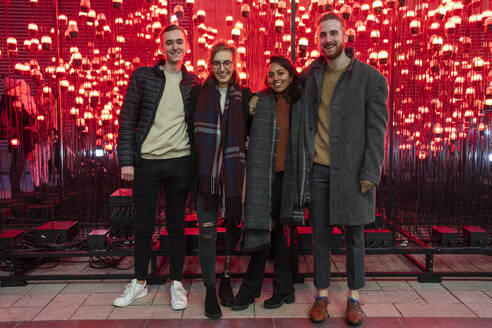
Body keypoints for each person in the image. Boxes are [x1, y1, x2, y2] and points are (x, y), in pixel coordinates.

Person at [301, 13, 389, 326]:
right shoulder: (311, 74)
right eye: (323, 35)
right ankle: (321, 296)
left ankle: (354, 298)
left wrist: (370, 173)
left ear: (345, 35)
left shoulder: (371, 79)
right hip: (319, 170)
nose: (328, 40)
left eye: (333, 33)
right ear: (317, 39)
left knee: (355, 237)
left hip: (354, 173)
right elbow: (288, 95)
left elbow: (377, 131)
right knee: (320, 236)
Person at [114, 24, 201, 310]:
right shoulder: (143, 77)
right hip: (147, 162)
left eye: (179, 42)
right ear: (162, 47)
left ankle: (176, 282)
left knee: (177, 226)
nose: (175, 46)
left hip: (180, 162)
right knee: (143, 226)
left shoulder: (193, 83)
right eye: (170, 42)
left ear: (187, 45)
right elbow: (127, 118)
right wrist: (126, 159)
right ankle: (138, 282)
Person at [231, 55, 304, 311]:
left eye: (281, 73)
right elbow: (243, 130)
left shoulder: (300, 102)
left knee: (274, 234)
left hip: (289, 177)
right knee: (269, 233)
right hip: (265, 176)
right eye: (272, 74)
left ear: (291, 75)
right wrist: (250, 143)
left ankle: (257, 290)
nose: (276, 78)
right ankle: (281, 290)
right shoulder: (260, 101)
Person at [194, 41, 251, 319]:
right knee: (206, 233)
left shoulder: (245, 95)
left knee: (230, 228)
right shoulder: (199, 94)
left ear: (235, 64)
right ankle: (208, 289)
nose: (222, 68)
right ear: (210, 66)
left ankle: (226, 277)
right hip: (205, 175)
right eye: (217, 63)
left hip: (232, 175)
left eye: (227, 62)